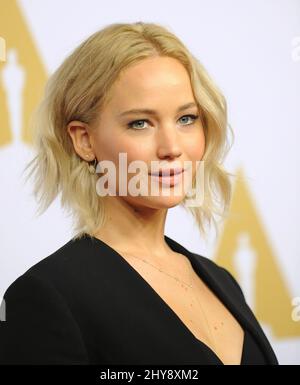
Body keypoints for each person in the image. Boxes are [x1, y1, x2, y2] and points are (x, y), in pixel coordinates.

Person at [0, 21, 278, 365]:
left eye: (187, 118)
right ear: (84, 140)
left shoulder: (222, 281)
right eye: (140, 123)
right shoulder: (46, 296)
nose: (171, 147)